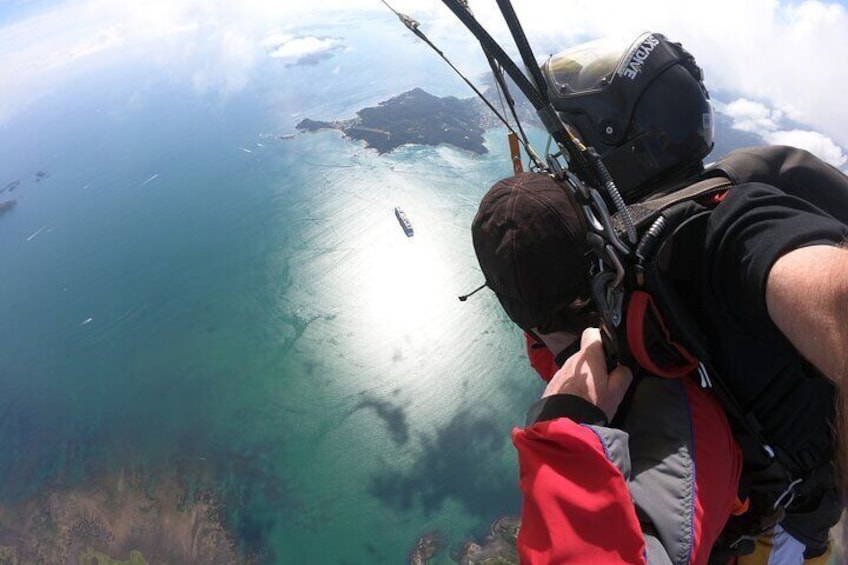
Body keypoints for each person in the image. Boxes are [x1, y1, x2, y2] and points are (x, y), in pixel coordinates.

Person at [470, 32, 848, 564]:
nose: (572, 175)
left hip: (786, 532)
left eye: (578, 157)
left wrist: (569, 431)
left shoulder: (727, 232)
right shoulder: (656, 262)